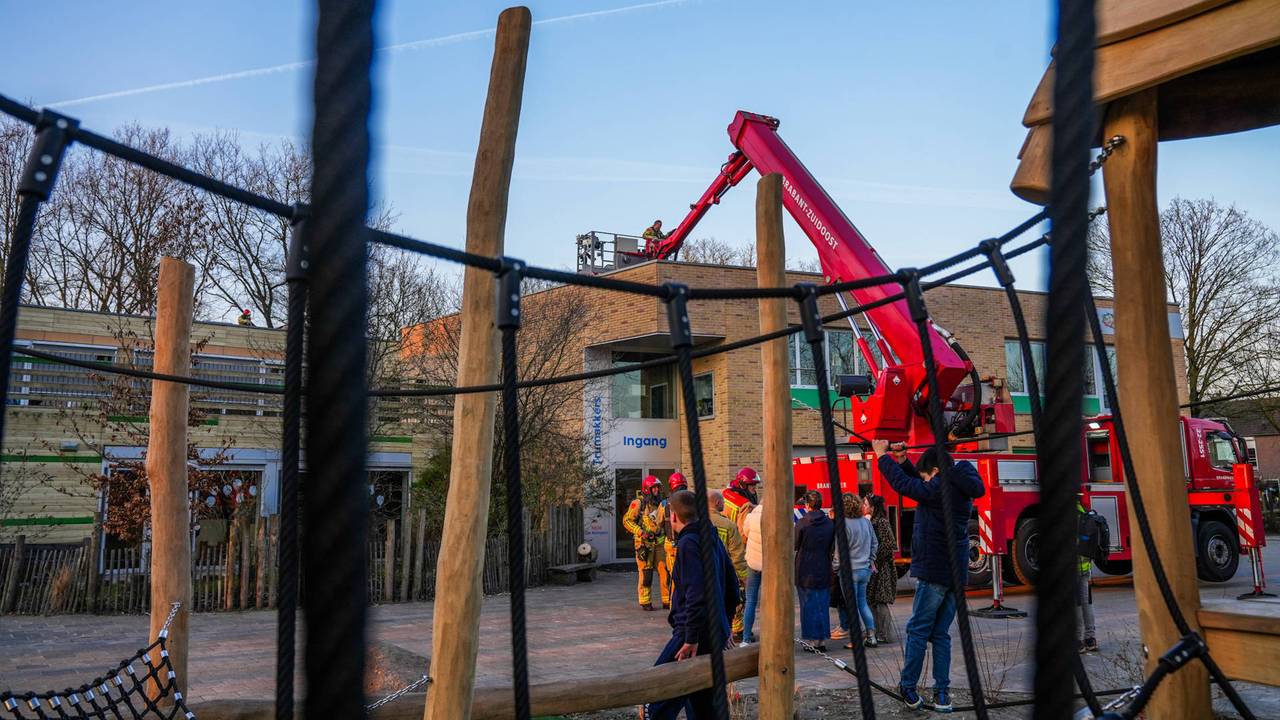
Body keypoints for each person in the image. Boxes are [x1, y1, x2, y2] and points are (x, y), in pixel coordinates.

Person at [873, 438, 985, 713]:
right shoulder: (958, 484)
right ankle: (942, 693)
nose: (924, 480)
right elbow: (919, 485)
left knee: (918, 630)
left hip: (934, 571)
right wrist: (903, 461)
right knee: (940, 634)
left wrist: (882, 457)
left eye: (926, 476)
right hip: (954, 575)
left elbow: (906, 485)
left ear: (935, 472)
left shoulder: (941, 488)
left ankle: (908, 686)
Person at [642, 490, 739, 720]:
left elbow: (696, 594)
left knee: (658, 695)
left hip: (692, 634)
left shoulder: (688, 543)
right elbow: (733, 586)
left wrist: (690, 638)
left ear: (673, 516)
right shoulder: (711, 537)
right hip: (713, 631)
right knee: (702, 699)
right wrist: (724, 625)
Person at [832, 493, 879, 649]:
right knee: (862, 603)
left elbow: (839, 552)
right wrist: (870, 560)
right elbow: (875, 543)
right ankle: (871, 636)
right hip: (864, 569)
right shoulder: (866, 522)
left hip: (848, 571)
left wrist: (835, 567)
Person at [795, 490, 835, 651]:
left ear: (807, 505)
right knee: (822, 604)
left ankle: (811, 640)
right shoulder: (829, 523)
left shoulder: (802, 523)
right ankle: (821, 639)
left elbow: (795, 544)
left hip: (805, 567)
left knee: (807, 605)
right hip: (824, 565)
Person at [622, 475, 669, 611]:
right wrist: (641, 532)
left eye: (658, 487)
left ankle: (667, 600)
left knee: (665, 572)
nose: (656, 490)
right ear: (647, 489)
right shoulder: (638, 503)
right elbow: (626, 521)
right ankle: (645, 601)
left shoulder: (661, 503)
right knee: (646, 574)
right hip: (644, 545)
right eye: (654, 488)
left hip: (659, 544)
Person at [710, 490, 749, 643]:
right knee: (736, 600)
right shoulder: (728, 525)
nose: (725, 505)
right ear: (717, 503)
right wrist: (743, 577)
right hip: (726, 571)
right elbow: (737, 555)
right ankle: (737, 631)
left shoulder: (697, 522)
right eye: (723, 502)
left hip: (706, 572)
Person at [867, 494, 899, 644]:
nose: (863, 506)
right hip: (875, 567)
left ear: (873, 508)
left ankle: (885, 634)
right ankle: (878, 631)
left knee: (881, 600)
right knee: (873, 600)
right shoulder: (872, 522)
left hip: (882, 568)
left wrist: (874, 558)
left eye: (866, 504)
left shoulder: (881, 522)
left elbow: (888, 544)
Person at [657, 472, 688, 604]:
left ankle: (675, 605)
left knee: (675, 575)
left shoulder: (665, 504)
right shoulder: (692, 500)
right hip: (689, 543)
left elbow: (658, 523)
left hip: (671, 544)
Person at [740, 501, 764, 645]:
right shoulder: (776, 516)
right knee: (769, 602)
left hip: (752, 563)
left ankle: (746, 637)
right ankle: (770, 635)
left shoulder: (751, 517)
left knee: (750, 601)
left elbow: (745, 533)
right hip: (769, 565)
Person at [1078, 498, 1099, 654]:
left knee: (1076, 603)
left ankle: (1077, 641)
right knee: (1086, 602)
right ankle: (1090, 638)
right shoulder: (1084, 512)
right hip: (1085, 566)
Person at [722, 467, 760, 531]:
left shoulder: (747, 495)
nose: (754, 487)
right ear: (743, 485)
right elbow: (742, 530)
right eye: (752, 484)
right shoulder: (743, 504)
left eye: (755, 484)